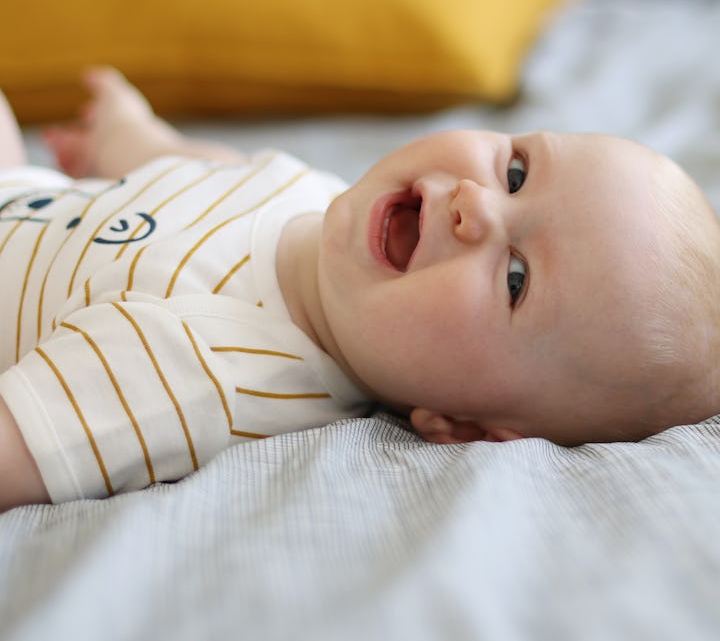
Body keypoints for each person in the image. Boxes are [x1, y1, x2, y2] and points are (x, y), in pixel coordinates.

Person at [1, 68, 719, 511]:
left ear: (462, 426)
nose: (477, 204)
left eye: (515, 279)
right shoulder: (319, 196)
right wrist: (132, 137)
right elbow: (211, 170)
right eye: (518, 173)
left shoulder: (207, 371)